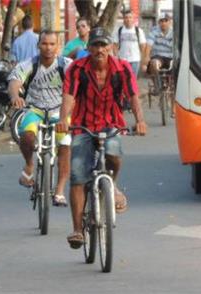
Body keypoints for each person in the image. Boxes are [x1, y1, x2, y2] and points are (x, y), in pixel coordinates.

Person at [56, 27, 147, 249]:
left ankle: (112, 186)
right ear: (89, 48)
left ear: (111, 47)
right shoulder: (77, 69)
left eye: (104, 45)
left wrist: (140, 120)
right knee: (78, 175)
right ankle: (78, 230)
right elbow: (68, 96)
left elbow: (134, 96)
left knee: (114, 155)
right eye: (95, 45)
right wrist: (62, 119)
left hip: (111, 123)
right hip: (82, 125)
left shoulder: (123, 69)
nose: (100, 49)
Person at [8, 30, 73, 207]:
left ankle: (59, 190)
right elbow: (14, 81)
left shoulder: (67, 65)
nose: (48, 48)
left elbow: (75, 88)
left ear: (58, 46)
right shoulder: (29, 64)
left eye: (52, 44)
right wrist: (15, 96)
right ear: (38, 46)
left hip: (59, 112)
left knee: (65, 144)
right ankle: (29, 165)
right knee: (27, 134)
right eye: (44, 44)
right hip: (34, 109)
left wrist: (66, 115)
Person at [142, 12, 173, 95]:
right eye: (161, 21)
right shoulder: (154, 32)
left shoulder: (175, 32)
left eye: (166, 21)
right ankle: (157, 86)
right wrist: (146, 60)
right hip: (158, 56)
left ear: (170, 21)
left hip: (171, 57)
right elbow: (149, 46)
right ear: (159, 22)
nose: (163, 23)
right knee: (154, 64)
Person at [112, 9, 146, 77]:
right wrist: (116, 56)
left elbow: (143, 46)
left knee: (132, 80)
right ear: (123, 19)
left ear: (133, 19)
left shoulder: (139, 31)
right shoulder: (119, 30)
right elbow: (115, 45)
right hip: (122, 59)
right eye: (126, 17)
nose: (128, 19)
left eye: (130, 17)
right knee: (123, 79)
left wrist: (143, 61)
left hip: (135, 60)